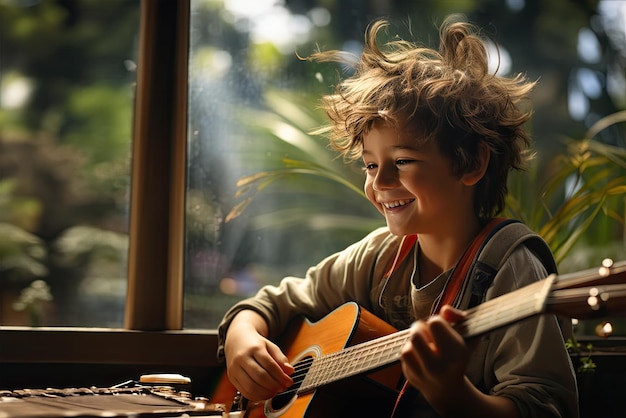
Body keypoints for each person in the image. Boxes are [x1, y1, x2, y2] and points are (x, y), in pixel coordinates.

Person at [217, 15, 578, 418]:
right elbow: (272, 303)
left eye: (403, 161)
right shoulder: (380, 256)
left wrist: (451, 393)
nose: (380, 181)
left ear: (471, 164)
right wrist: (242, 339)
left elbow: (546, 407)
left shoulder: (512, 270)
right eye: (371, 165)